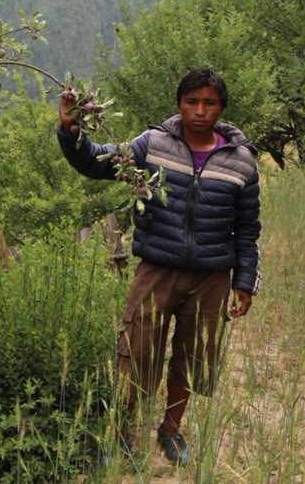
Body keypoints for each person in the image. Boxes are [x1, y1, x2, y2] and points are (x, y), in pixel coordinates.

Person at [57, 68, 261, 465]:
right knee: (135, 349)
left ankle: (171, 430)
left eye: (210, 103)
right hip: (157, 269)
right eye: (192, 101)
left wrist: (246, 280)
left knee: (195, 355)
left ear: (222, 108)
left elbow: (248, 228)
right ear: (179, 103)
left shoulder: (242, 162)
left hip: (212, 276)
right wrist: (71, 129)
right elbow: (97, 163)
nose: (200, 111)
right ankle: (121, 436)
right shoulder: (152, 145)